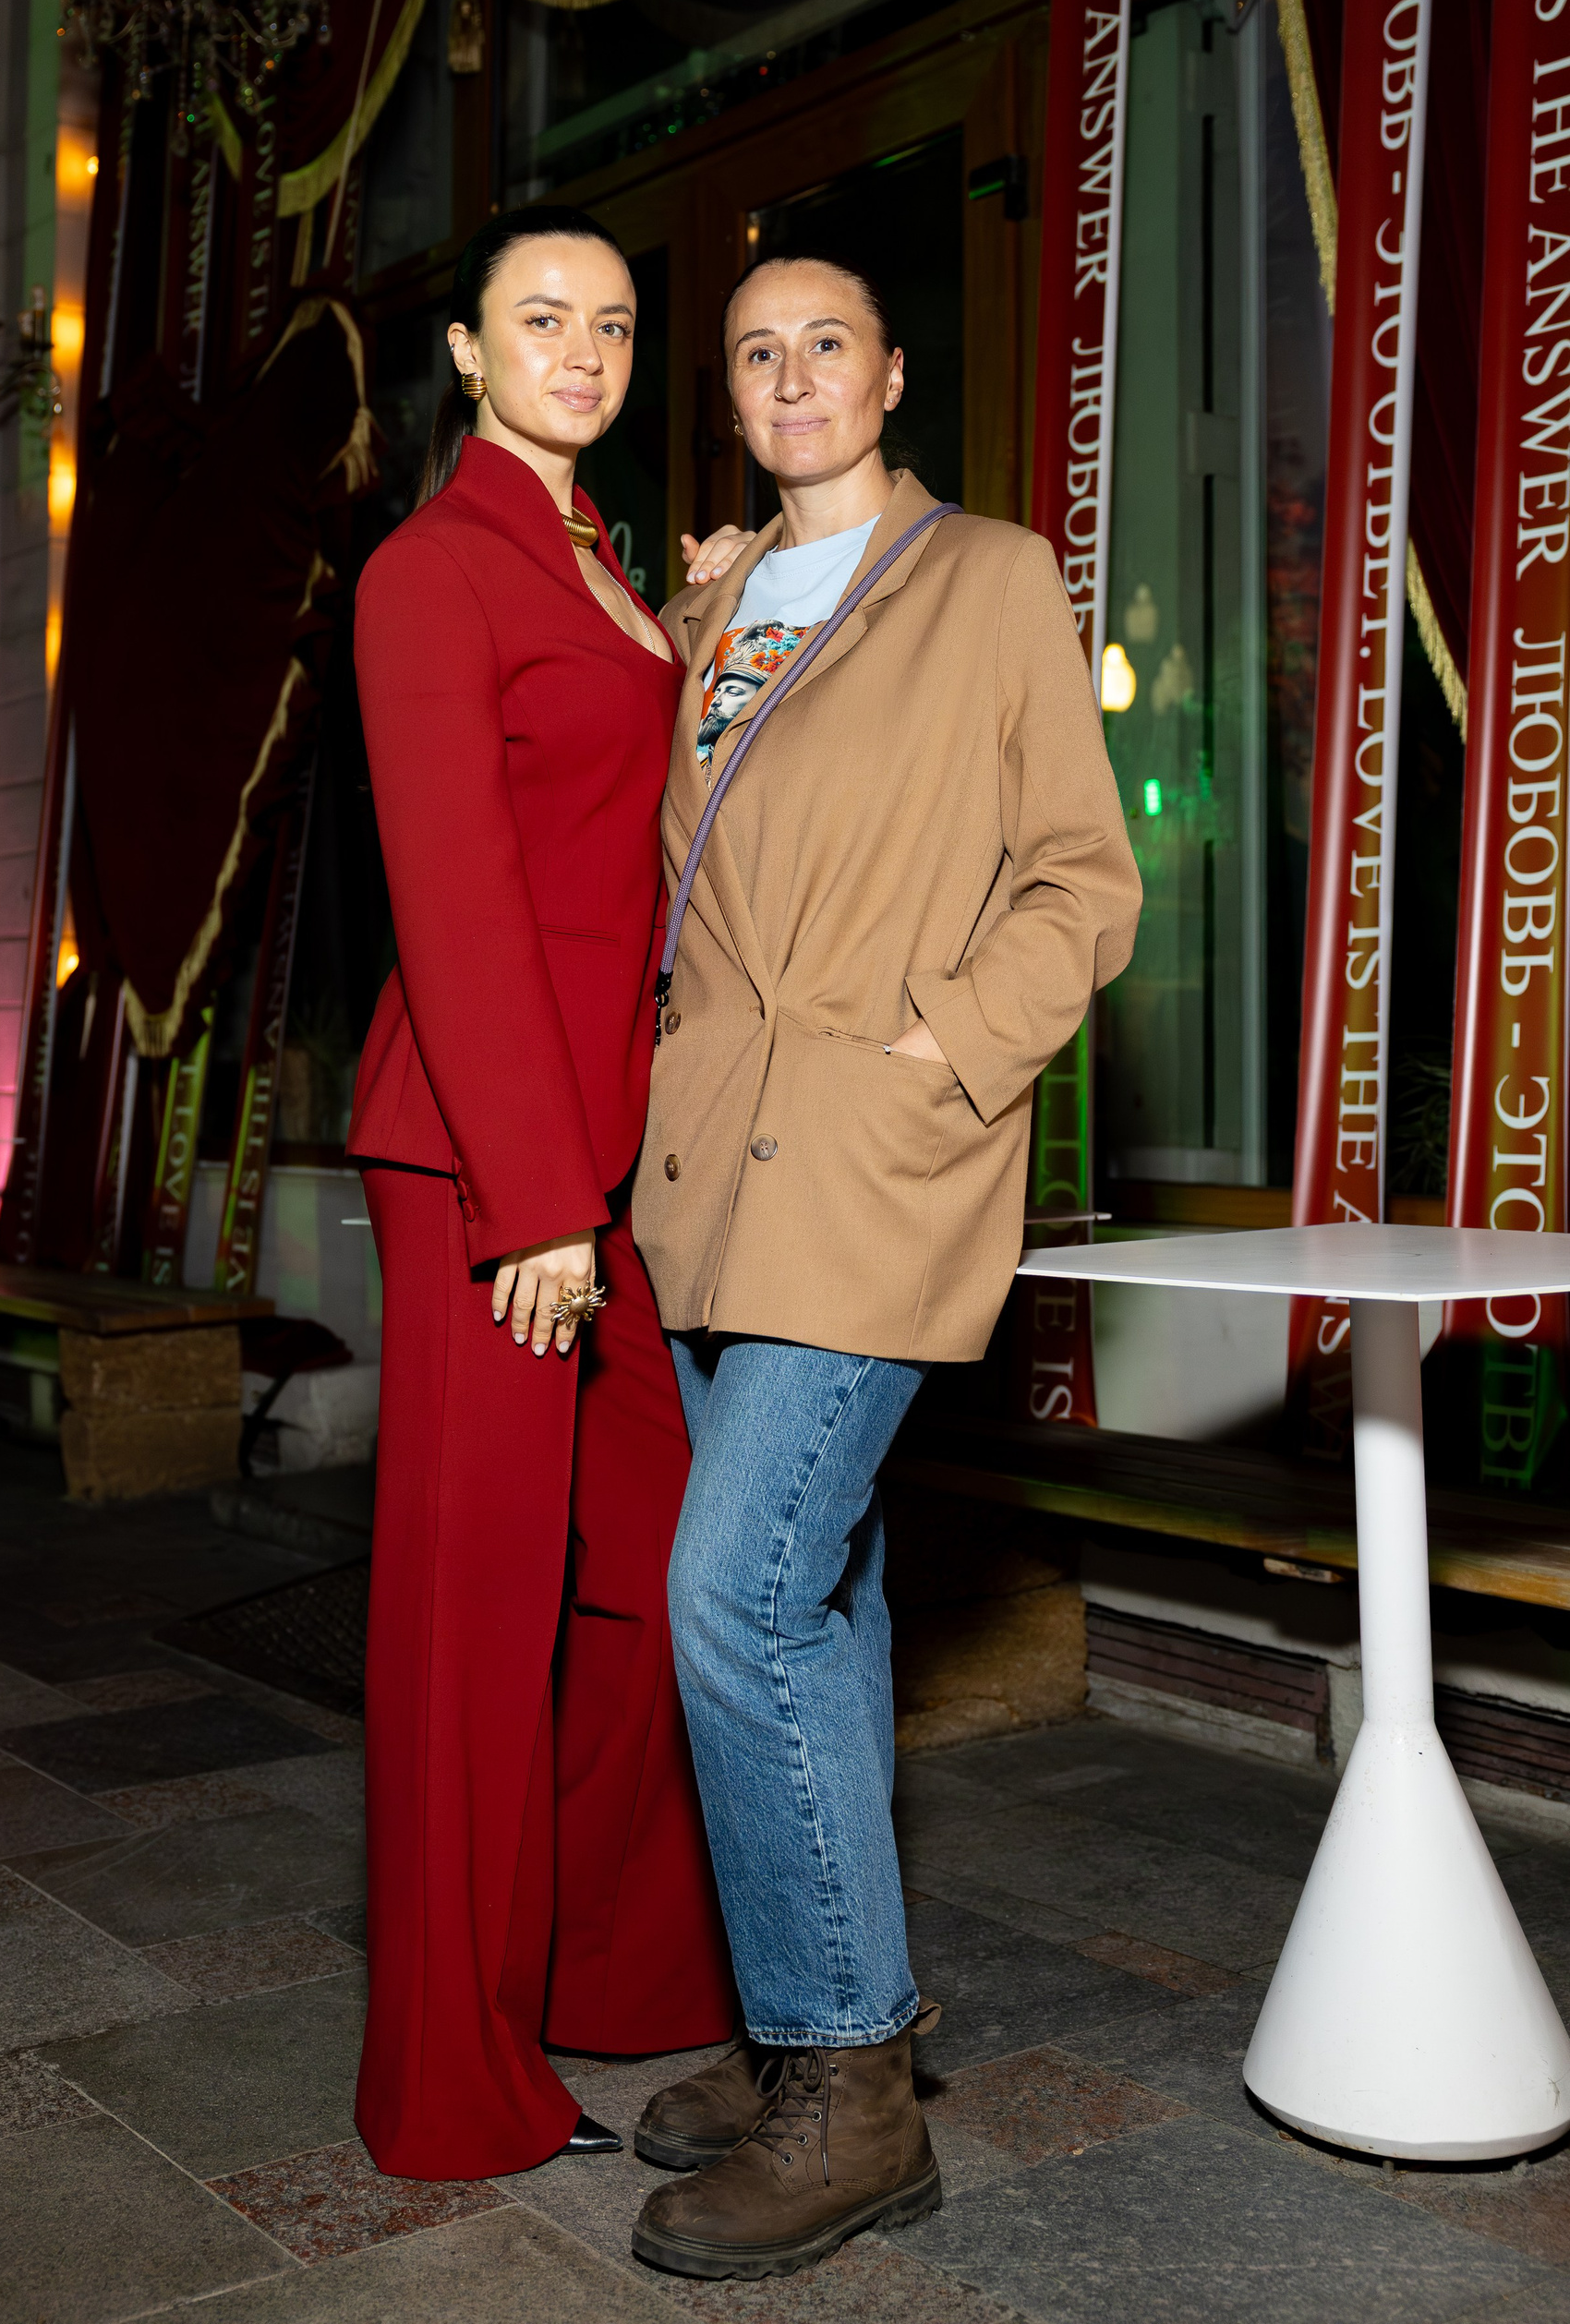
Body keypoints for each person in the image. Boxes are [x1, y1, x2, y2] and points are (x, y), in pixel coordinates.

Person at [626, 252, 1141, 2281]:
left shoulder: (988, 578)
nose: (792, 374)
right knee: (822, 1609)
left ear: (894, 372)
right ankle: (816, 2029)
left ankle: (851, 2096)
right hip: (712, 1170)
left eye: (826, 341)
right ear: (732, 399)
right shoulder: (717, 606)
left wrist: (945, 1051)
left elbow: (1081, 875)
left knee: (734, 1592)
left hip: (871, 1154)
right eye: (756, 353)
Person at [347, 205, 737, 2181]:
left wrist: (708, 618)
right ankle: (450, 2077)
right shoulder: (432, 569)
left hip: (611, 1151)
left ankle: (614, 1970)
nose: (582, 351)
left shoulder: (603, 562)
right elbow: (456, 897)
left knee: (669, 1565)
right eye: (541, 319)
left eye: (614, 323)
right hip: (489, 1159)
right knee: (471, 1619)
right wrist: (532, 1205)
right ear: (469, 352)